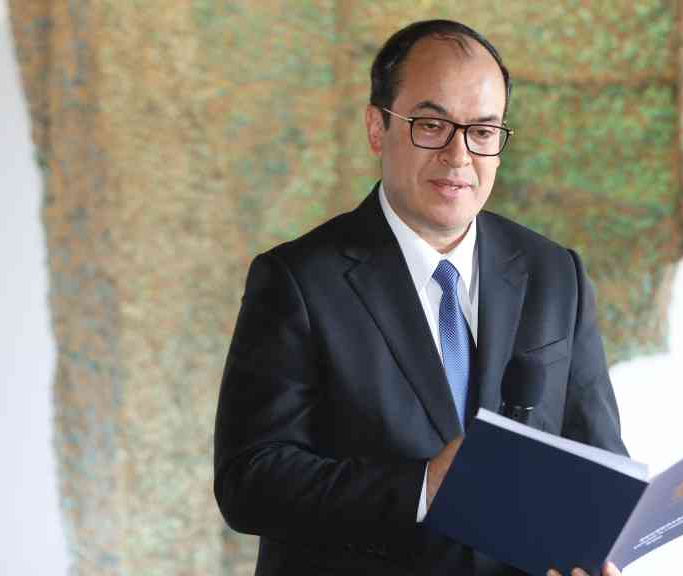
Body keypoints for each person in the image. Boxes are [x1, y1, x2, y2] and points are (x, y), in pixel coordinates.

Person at [213, 19, 627, 576]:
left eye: (483, 131)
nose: (459, 156)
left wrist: (595, 550)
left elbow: (597, 458)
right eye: (431, 125)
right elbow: (249, 481)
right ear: (377, 128)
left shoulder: (555, 274)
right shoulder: (297, 280)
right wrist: (423, 487)